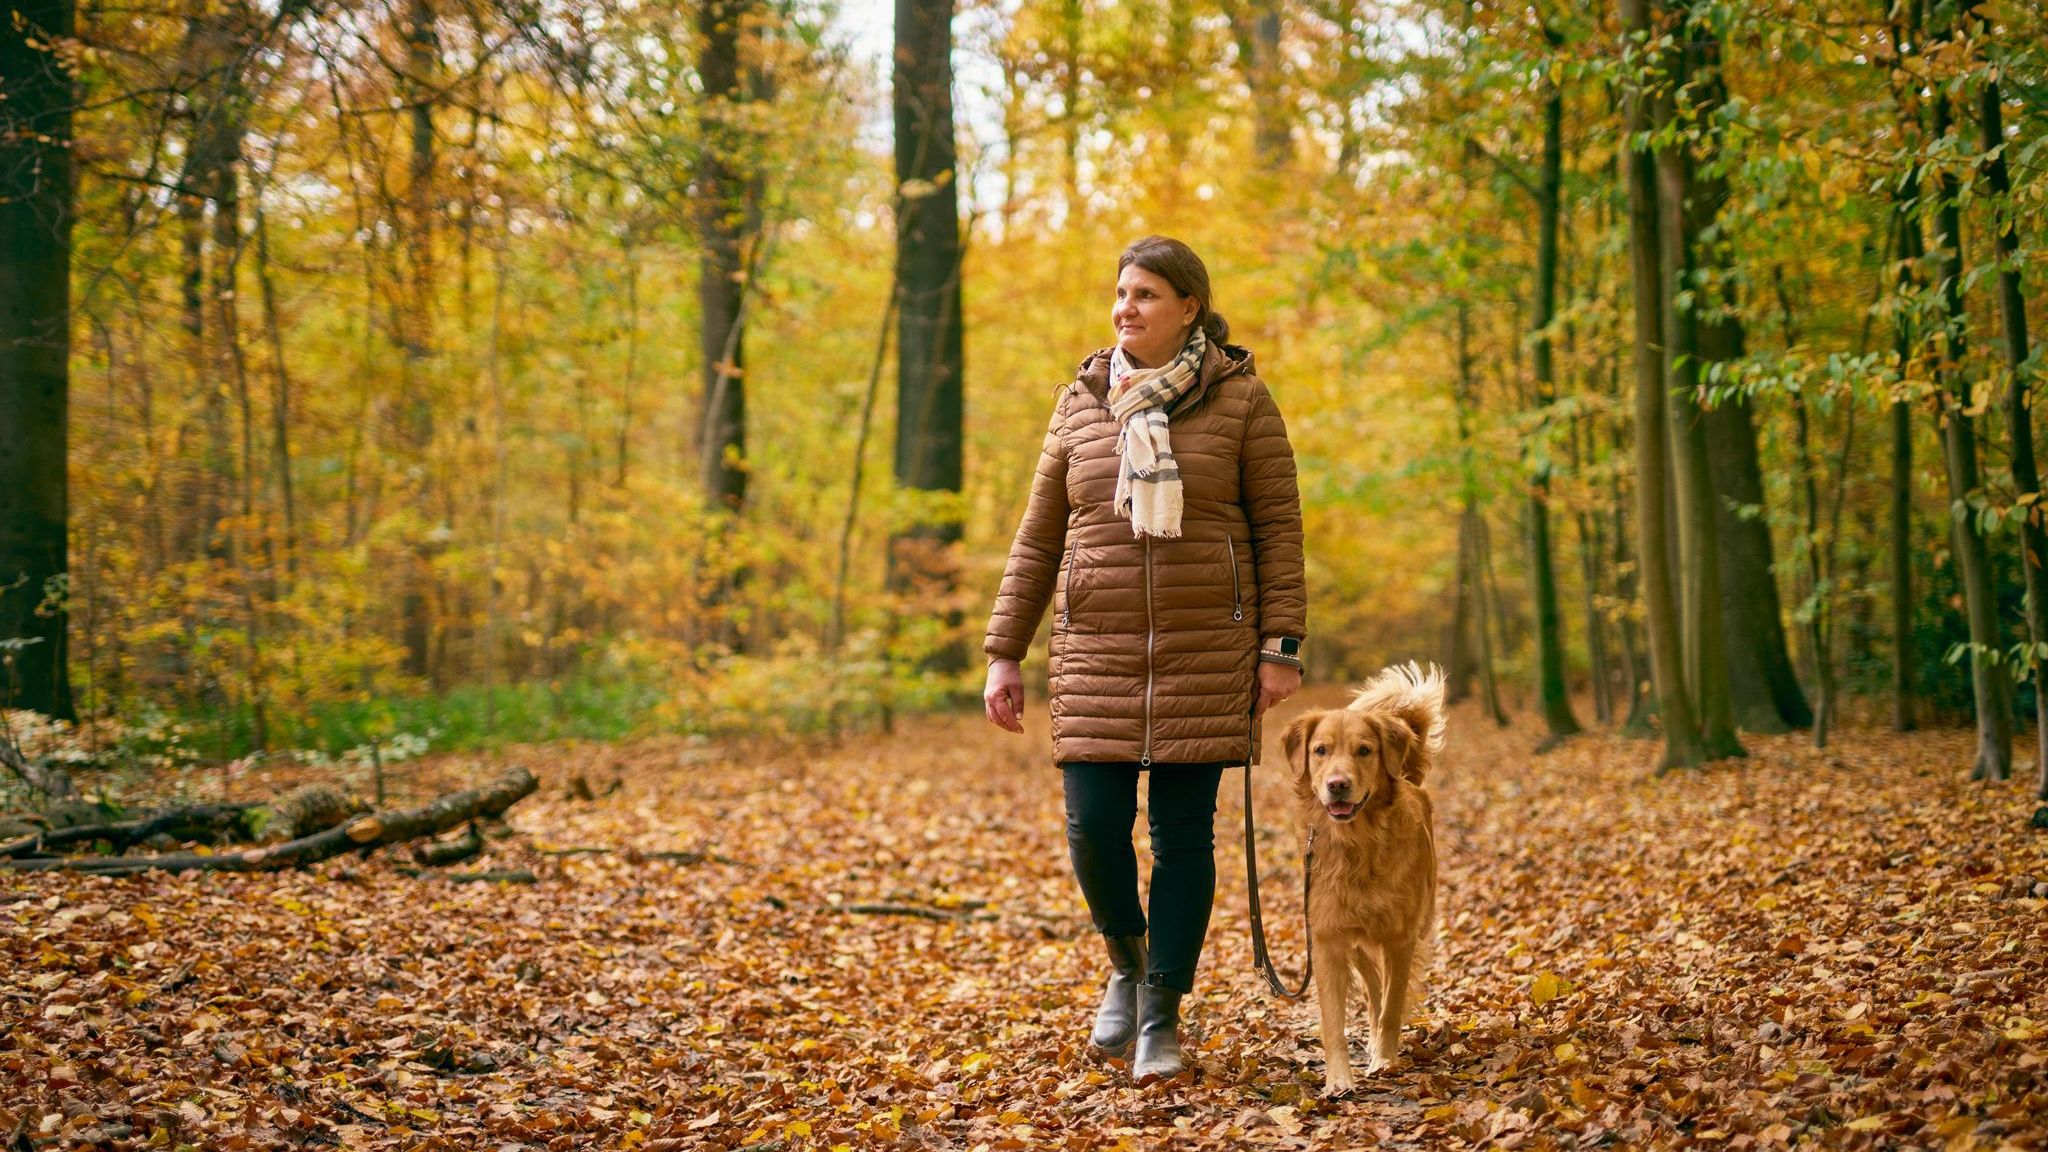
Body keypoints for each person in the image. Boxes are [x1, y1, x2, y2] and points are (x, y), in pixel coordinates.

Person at [981, 235, 1306, 1083]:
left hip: (1208, 652)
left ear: (1190, 307)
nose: (1127, 307)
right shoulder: (1081, 401)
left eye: (1148, 294)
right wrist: (1002, 653)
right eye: (1121, 293)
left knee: (1181, 839)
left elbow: (1278, 529)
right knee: (1092, 829)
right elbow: (1037, 537)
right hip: (1096, 652)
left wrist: (1281, 647)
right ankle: (1125, 965)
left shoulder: (1242, 401)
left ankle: (1161, 1013)